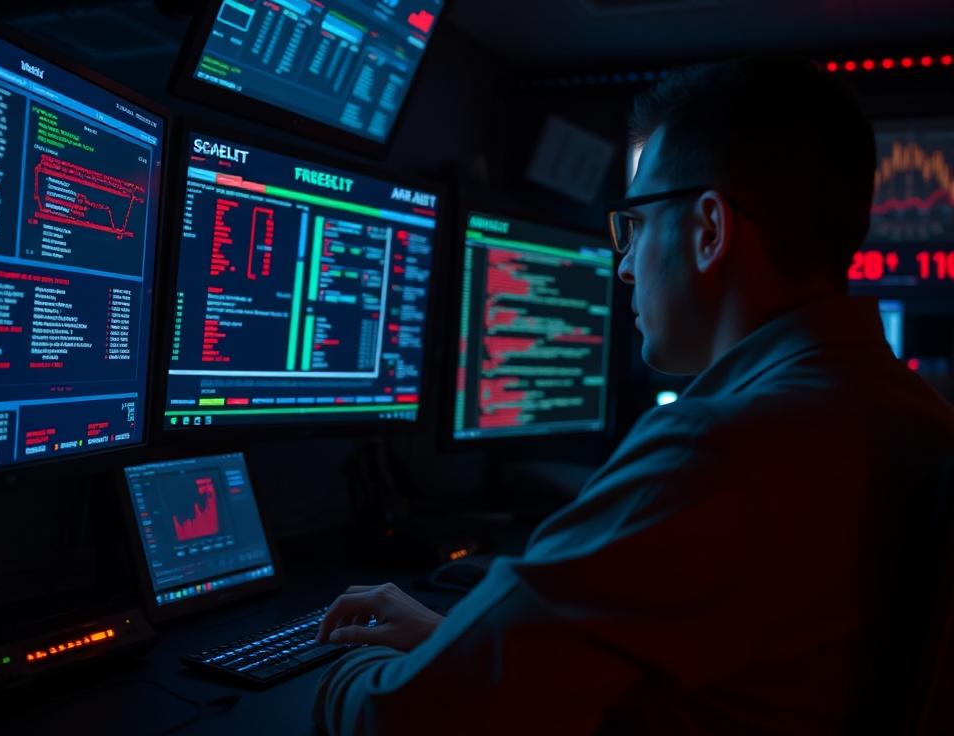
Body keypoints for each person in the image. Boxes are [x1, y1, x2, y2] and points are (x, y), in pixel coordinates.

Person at [312, 56, 954, 734]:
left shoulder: (719, 450)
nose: (622, 265)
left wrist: (328, 668)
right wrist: (460, 643)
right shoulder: (912, 413)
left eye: (636, 225)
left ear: (709, 230)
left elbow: (407, 719)